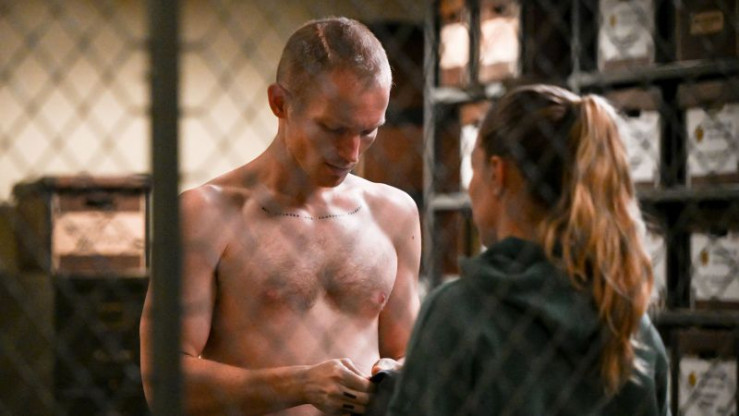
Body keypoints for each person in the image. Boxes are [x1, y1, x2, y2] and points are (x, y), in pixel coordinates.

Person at [140, 17, 422, 416]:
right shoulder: (205, 214)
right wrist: (301, 385)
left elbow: (406, 355)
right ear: (280, 103)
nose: (352, 153)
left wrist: (397, 376)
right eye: (333, 129)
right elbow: (163, 382)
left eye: (368, 131)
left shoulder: (395, 214)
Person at [387, 84, 670, 415]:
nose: (470, 188)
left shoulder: (458, 315)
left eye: (474, 168)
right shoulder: (629, 328)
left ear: (497, 174)